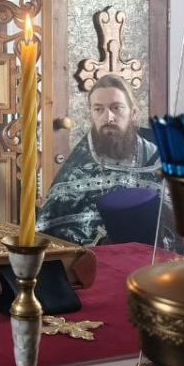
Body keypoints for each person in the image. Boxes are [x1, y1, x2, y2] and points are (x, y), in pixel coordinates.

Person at [36, 74, 160, 246]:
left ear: (133, 113)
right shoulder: (76, 169)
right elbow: (51, 233)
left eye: (116, 108)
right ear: (91, 114)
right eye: (98, 109)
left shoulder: (158, 161)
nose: (108, 117)